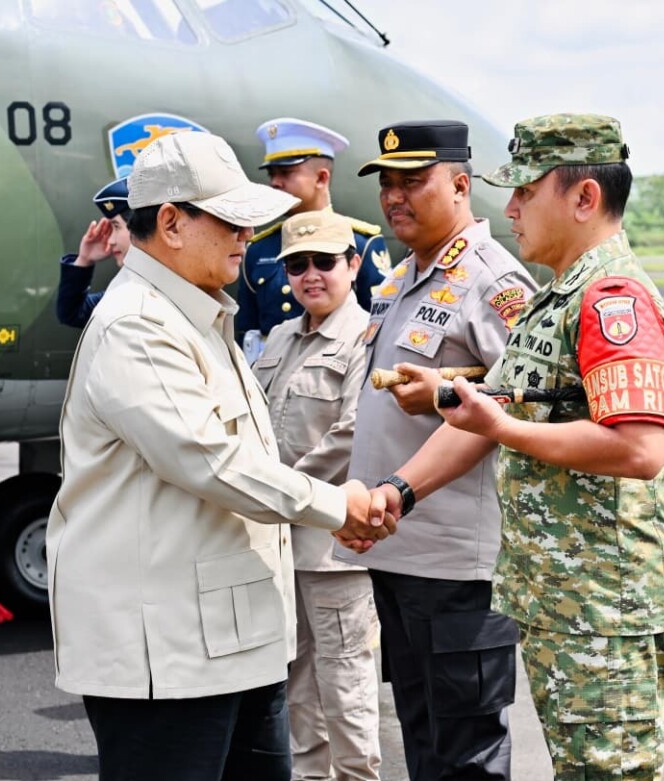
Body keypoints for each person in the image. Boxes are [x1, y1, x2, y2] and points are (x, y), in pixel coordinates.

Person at [47, 131, 394, 781]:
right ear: (171, 223)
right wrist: (336, 506)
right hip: (170, 657)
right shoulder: (139, 324)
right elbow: (210, 460)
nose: (248, 235)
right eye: (231, 220)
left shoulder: (197, 316)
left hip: (234, 644)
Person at [369, 114, 664, 780]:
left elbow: (638, 448)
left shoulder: (613, 298)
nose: (511, 208)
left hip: (608, 601)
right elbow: (487, 415)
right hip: (565, 596)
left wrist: (502, 429)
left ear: (585, 198)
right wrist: (400, 490)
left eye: (525, 190)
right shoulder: (558, 297)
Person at [336, 120, 538, 781]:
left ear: (459, 185)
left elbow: (523, 400)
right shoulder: (402, 277)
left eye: (412, 181)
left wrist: (446, 393)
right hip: (397, 550)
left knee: (465, 751)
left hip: (453, 566)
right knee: (423, 736)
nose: (394, 196)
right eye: (387, 183)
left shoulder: (492, 280)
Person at [252, 210, 381, 781]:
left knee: (344, 681)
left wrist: (275, 492)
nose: (310, 275)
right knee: (296, 683)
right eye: (296, 265)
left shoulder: (367, 338)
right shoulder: (281, 336)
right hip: (278, 540)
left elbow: (353, 433)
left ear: (352, 265)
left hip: (333, 546)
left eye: (324, 262)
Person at [236, 117, 391, 353]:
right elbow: (245, 331)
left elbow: (381, 326)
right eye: (272, 174)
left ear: (321, 178)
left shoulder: (360, 243)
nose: (275, 182)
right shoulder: (258, 249)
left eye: (286, 172)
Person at [56, 177, 132, 328]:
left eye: (116, 227)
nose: (111, 240)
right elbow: (72, 313)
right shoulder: (126, 292)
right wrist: (85, 259)